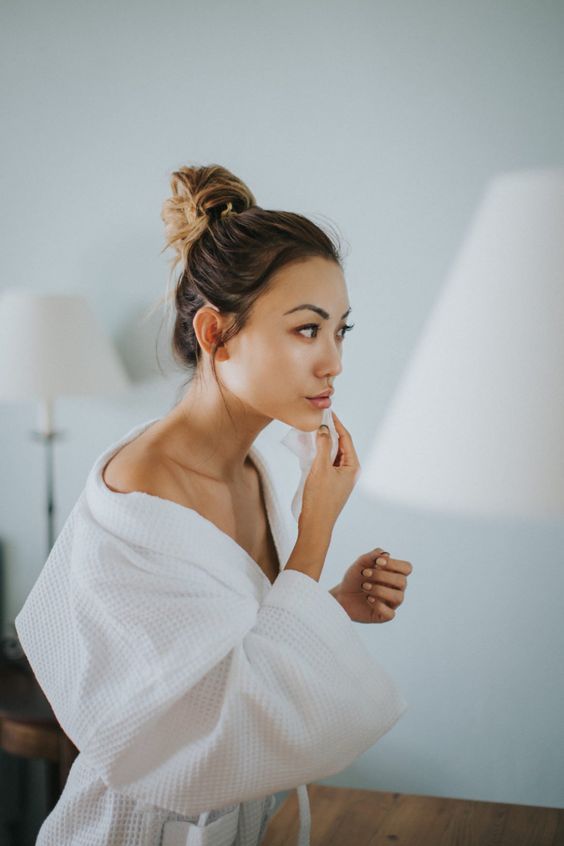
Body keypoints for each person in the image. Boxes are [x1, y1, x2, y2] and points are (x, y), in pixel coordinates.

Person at [15, 163, 412, 846]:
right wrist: (316, 531)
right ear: (213, 333)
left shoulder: (259, 461)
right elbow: (201, 736)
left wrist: (331, 603)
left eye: (341, 330)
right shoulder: (139, 490)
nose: (334, 362)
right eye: (306, 330)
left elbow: (228, 642)